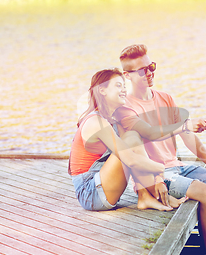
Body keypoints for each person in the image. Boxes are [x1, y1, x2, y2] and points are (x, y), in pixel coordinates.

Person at [115, 44, 206, 255]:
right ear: (126, 75)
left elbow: (188, 138)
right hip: (154, 176)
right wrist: (184, 125)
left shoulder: (165, 98)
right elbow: (151, 133)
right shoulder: (124, 108)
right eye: (142, 71)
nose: (149, 73)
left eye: (151, 67)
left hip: (178, 167)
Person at [69, 68, 187, 212]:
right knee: (129, 144)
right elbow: (130, 160)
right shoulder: (96, 121)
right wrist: (160, 170)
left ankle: (145, 196)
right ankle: (157, 196)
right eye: (118, 85)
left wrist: (158, 178)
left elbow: (135, 154)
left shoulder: (113, 120)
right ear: (102, 90)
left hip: (103, 185)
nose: (124, 90)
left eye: (124, 86)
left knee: (132, 136)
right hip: (90, 193)